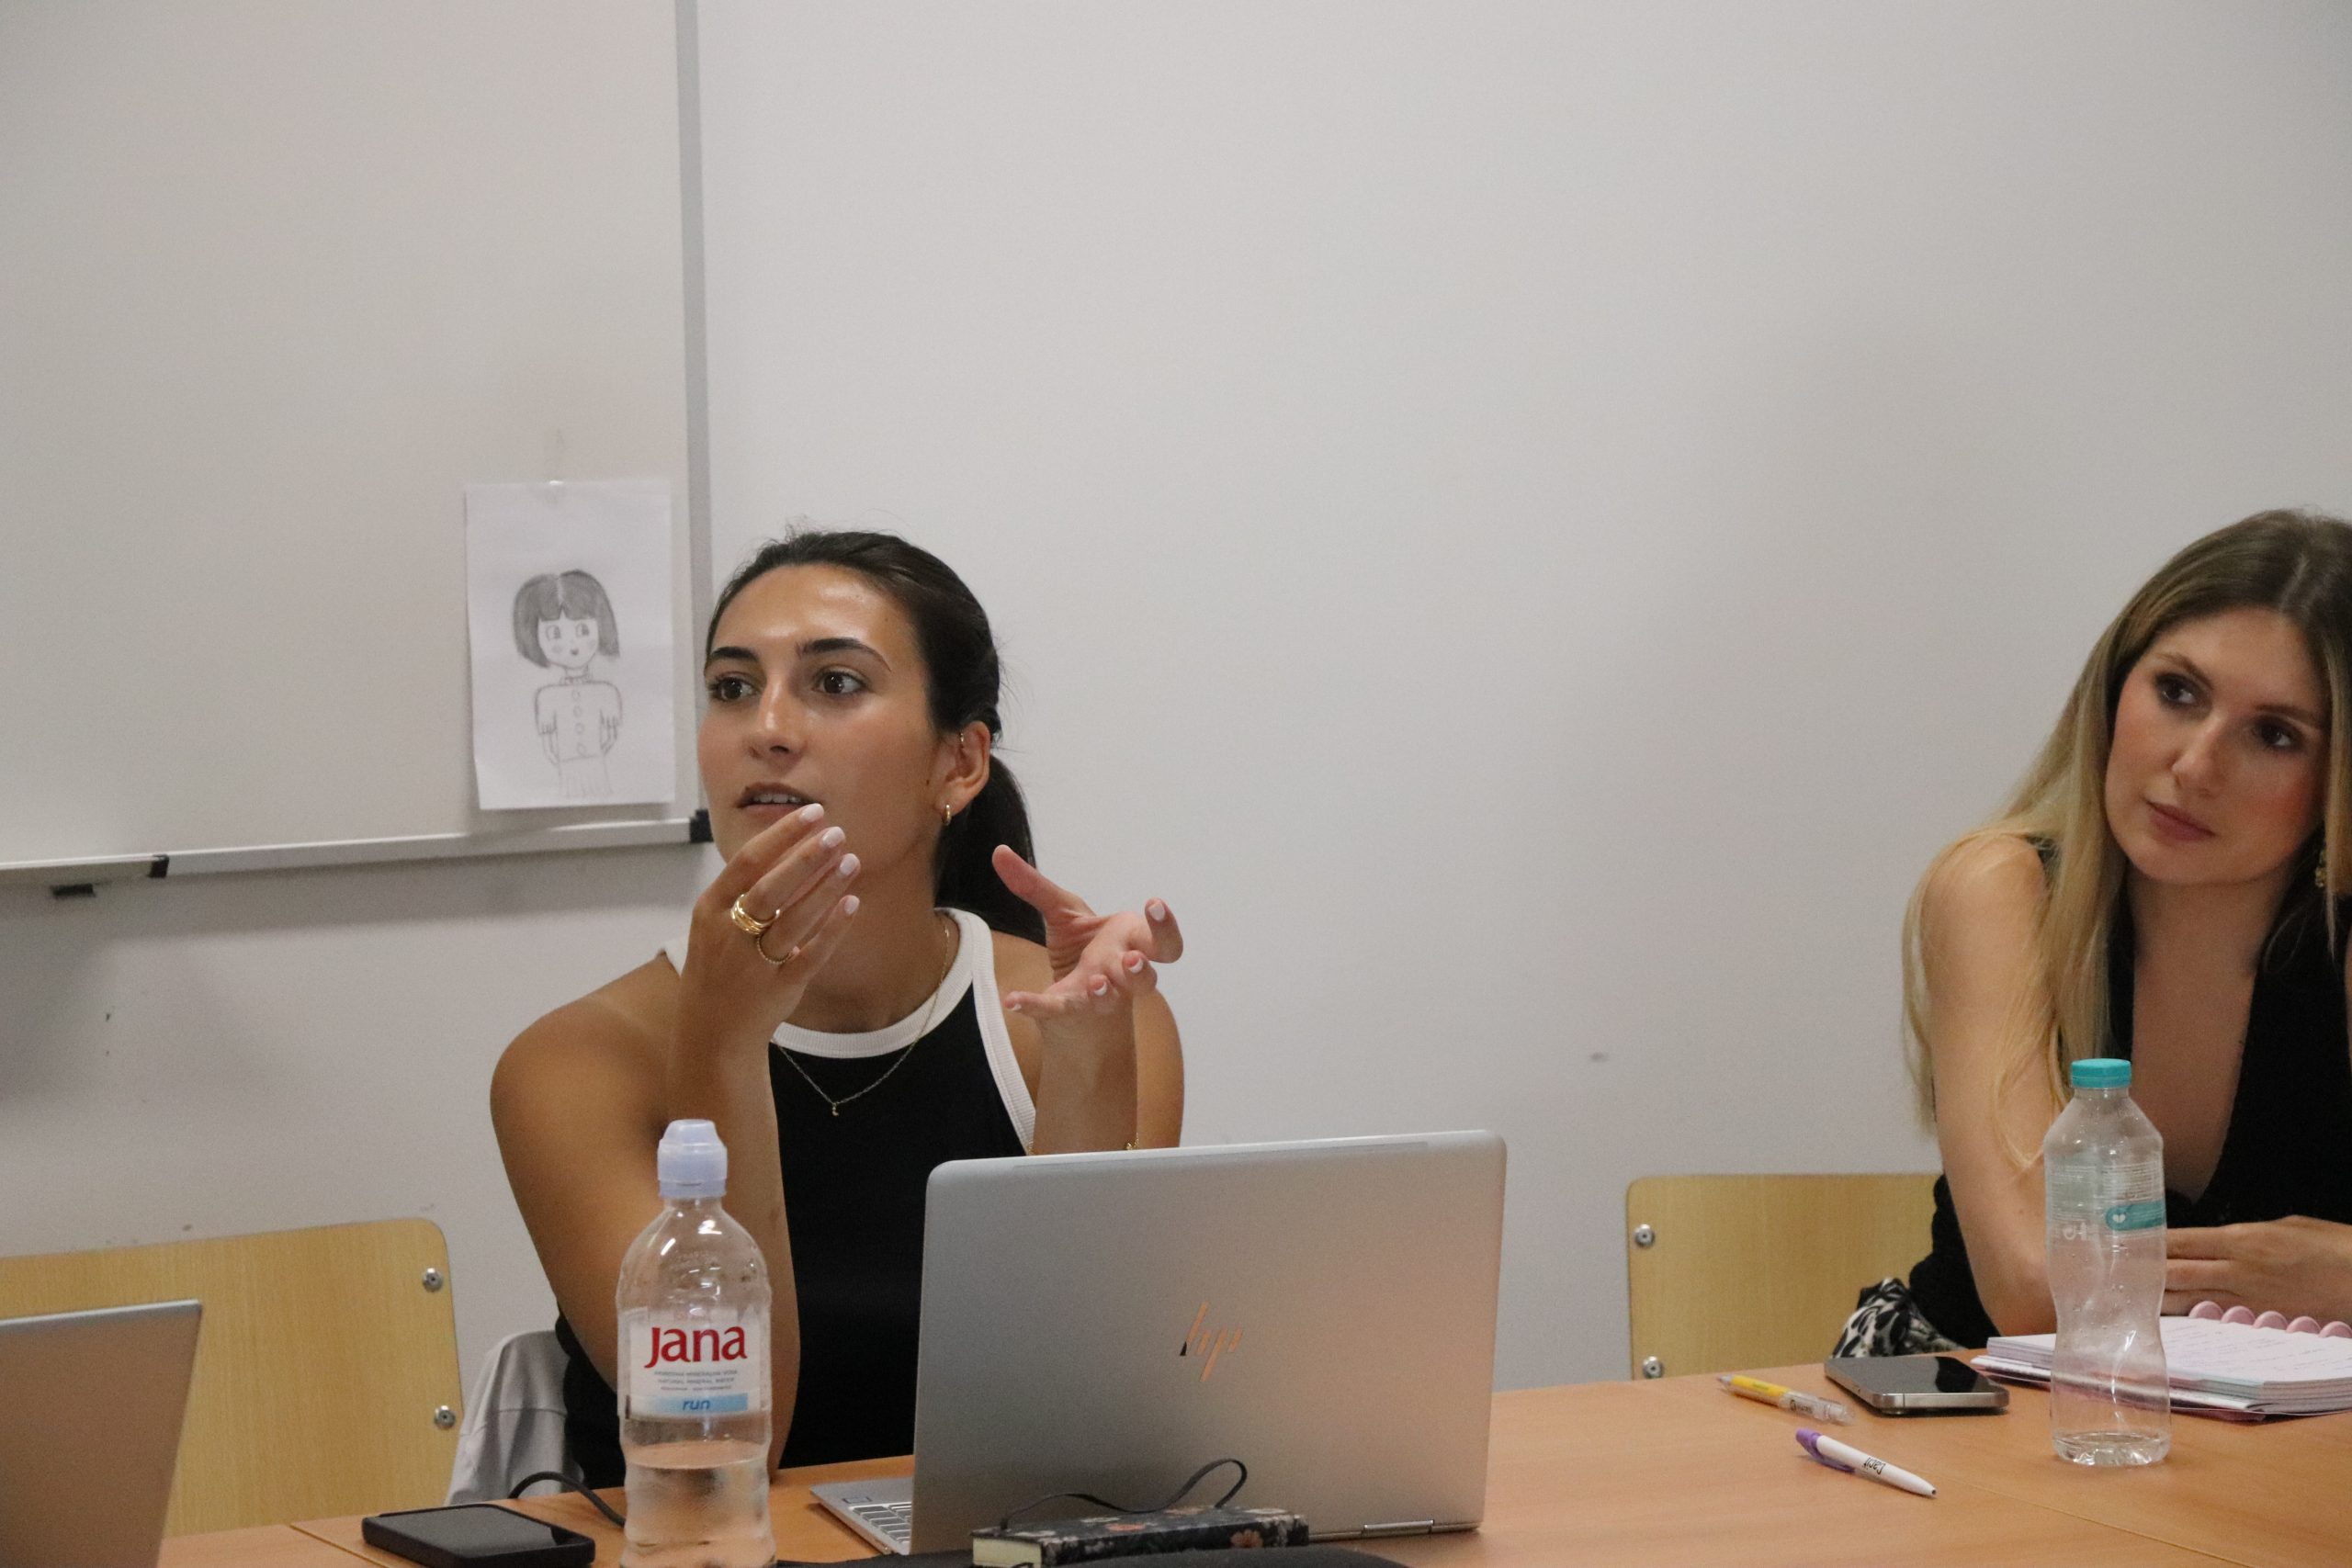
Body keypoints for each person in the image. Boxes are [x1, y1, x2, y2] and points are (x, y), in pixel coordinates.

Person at [492, 531, 1185, 1483]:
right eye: (733, 687)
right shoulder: (574, 1064)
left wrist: (1092, 1050)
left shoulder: (1070, 1009)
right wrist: (723, 1044)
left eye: (836, 683)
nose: (768, 727)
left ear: (960, 763)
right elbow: (724, 1443)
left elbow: (1067, 1413)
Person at [1838, 508, 2352, 1356]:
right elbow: (2036, 1289)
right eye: (2177, 692)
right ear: (2114, 688)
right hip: (1975, 1393)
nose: (2195, 765)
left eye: (2275, 734)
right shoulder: (2001, 889)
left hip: (2287, 1424)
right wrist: (2315, 1276)